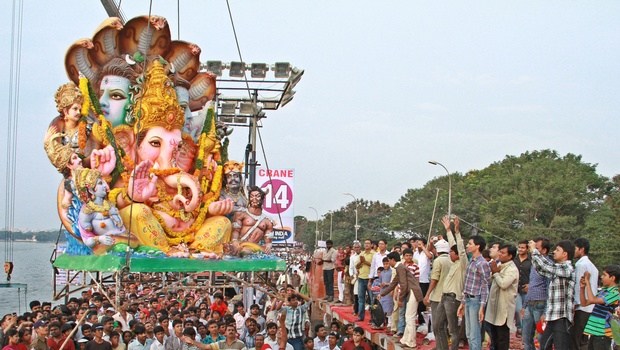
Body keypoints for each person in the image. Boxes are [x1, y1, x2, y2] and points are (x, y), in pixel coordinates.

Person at [529, 239, 575, 350]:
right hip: (553, 316)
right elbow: (540, 268)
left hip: (562, 317)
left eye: (557, 250)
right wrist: (533, 253)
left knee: (561, 346)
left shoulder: (567, 268)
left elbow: (546, 266)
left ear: (565, 254)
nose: (554, 252)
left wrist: (534, 251)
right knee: (544, 345)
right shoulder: (557, 268)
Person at [379, 251, 423, 349]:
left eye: (388, 261)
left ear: (393, 260)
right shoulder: (400, 267)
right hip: (411, 292)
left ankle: (412, 342)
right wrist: (382, 294)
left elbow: (403, 285)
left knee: (410, 318)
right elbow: (393, 283)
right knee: (408, 316)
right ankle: (405, 340)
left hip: (412, 292)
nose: (388, 262)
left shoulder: (400, 267)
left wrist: (400, 299)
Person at [435, 215, 467, 350]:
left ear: (457, 254)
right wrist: (448, 230)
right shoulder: (454, 263)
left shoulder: (463, 264)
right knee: (437, 326)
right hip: (444, 297)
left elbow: (460, 248)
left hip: (453, 299)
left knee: (453, 329)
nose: (449, 254)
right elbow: (454, 245)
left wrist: (457, 231)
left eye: (451, 253)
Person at [456, 236, 490, 350]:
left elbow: (485, 286)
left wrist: (482, 306)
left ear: (477, 246)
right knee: (469, 334)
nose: (468, 246)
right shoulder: (472, 261)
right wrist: (463, 302)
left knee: (475, 334)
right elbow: (468, 284)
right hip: (469, 299)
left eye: (470, 244)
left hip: (476, 301)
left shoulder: (482, 263)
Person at [484, 244, 518, 350]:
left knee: (502, 340)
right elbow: (489, 281)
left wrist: (495, 273)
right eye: (500, 252)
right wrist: (493, 272)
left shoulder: (512, 269)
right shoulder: (500, 265)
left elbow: (503, 284)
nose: (500, 254)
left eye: (503, 253)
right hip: (494, 309)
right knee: (494, 339)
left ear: (510, 256)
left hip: (504, 311)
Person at [580, 265, 620, 350]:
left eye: (604, 275)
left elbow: (592, 299)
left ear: (612, 278)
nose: (601, 277)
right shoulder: (603, 291)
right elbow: (584, 303)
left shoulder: (614, 293)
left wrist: (588, 282)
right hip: (595, 332)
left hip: (603, 333)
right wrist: (582, 288)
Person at [521, 237, 552, 350]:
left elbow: (550, 289)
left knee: (541, 337)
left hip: (541, 304)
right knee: (526, 337)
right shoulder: (534, 264)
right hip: (530, 304)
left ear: (544, 250)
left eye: (536, 248)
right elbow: (532, 285)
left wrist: (546, 312)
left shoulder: (548, 265)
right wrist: (524, 305)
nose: (532, 250)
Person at [230, 186, 275, 255]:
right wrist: (234, 241)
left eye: (257, 196)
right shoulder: (241, 214)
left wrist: (269, 245)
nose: (254, 199)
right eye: (251, 196)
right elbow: (235, 231)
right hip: (239, 245)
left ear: (262, 199)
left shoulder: (268, 221)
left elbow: (268, 241)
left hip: (254, 248)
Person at [572, 238, 598, 350]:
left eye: (575, 248)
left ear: (581, 249)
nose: (573, 251)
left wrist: (575, 304)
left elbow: (578, 286)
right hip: (590, 307)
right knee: (583, 340)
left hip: (581, 307)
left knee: (575, 340)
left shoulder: (580, 265)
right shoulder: (593, 266)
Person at [513, 240, 531, 337]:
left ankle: (525, 332)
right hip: (515, 289)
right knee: (518, 310)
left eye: (523, 247)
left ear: (527, 249)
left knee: (526, 312)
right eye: (519, 247)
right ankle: (519, 328)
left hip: (526, 289)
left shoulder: (531, 260)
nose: (520, 249)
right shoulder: (514, 259)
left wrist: (530, 285)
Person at [355, 240, 375, 322]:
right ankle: (360, 316)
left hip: (370, 279)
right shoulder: (361, 254)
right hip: (361, 277)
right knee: (361, 299)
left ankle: (373, 318)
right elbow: (357, 266)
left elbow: (374, 266)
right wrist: (361, 262)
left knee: (372, 299)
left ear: (371, 245)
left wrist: (365, 262)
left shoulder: (374, 254)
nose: (366, 245)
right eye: (365, 243)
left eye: (368, 243)